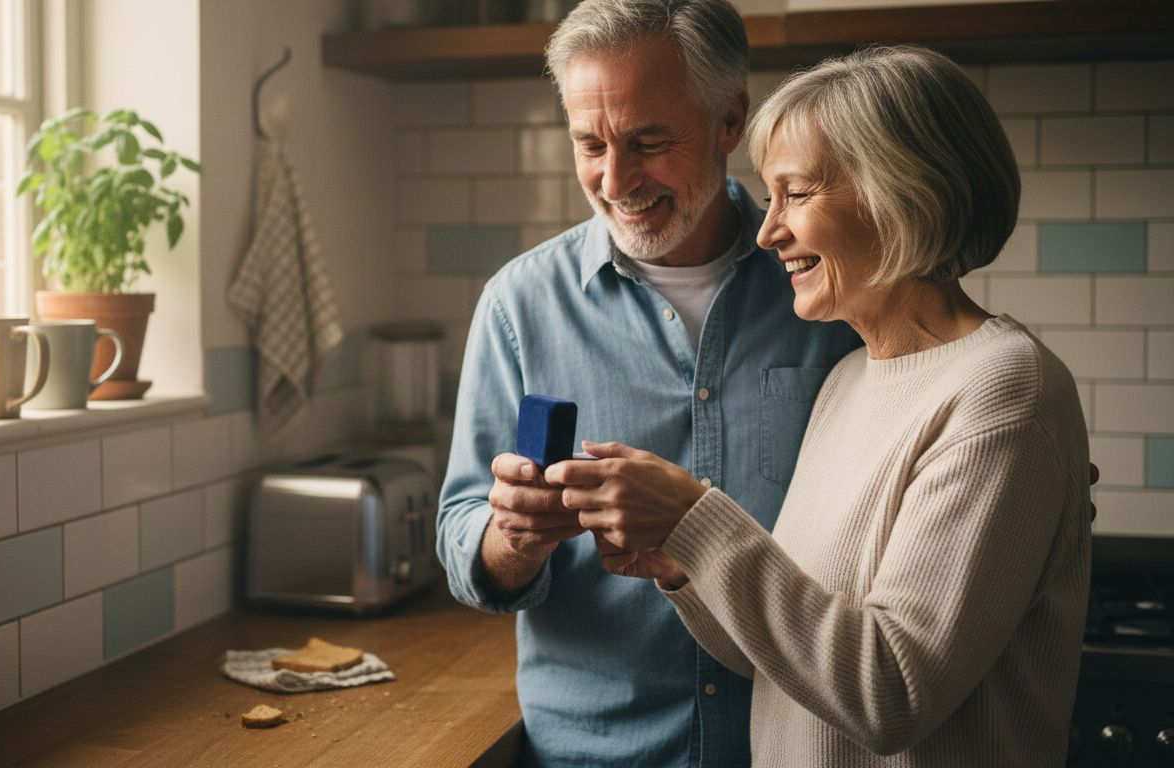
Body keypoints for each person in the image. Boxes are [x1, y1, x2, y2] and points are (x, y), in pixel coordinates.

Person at [543, 45, 1092, 766]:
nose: (768, 231)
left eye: (795, 195)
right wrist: (680, 564)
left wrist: (694, 520)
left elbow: (887, 694)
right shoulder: (848, 381)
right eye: (769, 198)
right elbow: (790, 664)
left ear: (903, 193)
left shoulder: (1002, 396)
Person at [436, 0, 863, 764]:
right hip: (594, 754)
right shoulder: (518, 305)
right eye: (589, 144)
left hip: (797, 744)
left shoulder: (833, 289)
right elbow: (463, 534)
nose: (615, 178)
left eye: (648, 142)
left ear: (729, 120)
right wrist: (511, 536)